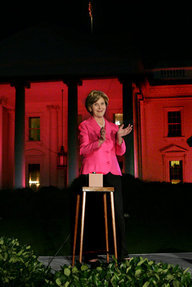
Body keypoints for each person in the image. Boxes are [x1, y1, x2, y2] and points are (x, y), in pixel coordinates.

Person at [75, 90, 132, 264]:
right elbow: (83, 150)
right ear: (90, 107)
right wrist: (98, 141)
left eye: (103, 104)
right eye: (96, 104)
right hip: (94, 172)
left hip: (113, 172)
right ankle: (91, 253)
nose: (100, 107)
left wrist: (120, 139)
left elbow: (120, 152)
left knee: (117, 212)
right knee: (94, 211)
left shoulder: (114, 127)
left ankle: (121, 253)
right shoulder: (85, 126)